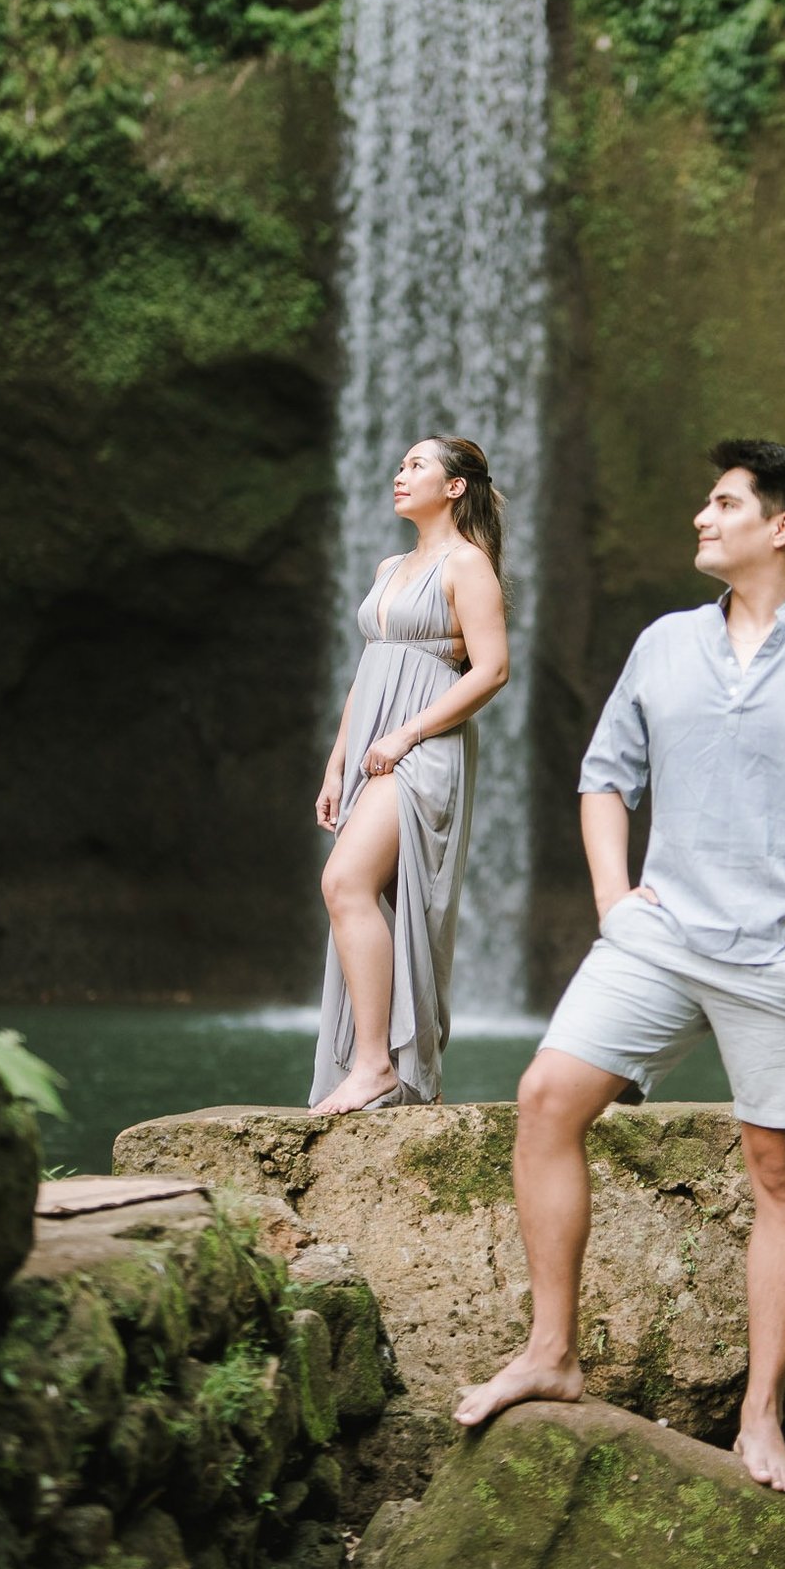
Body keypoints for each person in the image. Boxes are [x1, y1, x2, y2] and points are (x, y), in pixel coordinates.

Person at [455, 438, 785, 1489]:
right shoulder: (664, 643)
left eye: (723, 503)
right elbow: (604, 778)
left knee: (780, 1175)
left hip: (784, 954)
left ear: (783, 528)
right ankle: (552, 1353)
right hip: (661, 937)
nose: (699, 517)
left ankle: (760, 1418)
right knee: (546, 1100)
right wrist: (610, 898)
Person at [309, 436, 509, 1115]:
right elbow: (369, 669)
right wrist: (337, 763)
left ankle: (375, 1066)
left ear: (454, 488)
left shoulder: (466, 564)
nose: (400, 475)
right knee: (372, 898)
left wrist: (407, 733)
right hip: (374, 745)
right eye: (399, 465)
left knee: (344, 882)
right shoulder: (391, 564)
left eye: (416, 466)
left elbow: (492, 669)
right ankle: (404, 1068)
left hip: (421, 746)